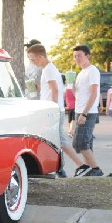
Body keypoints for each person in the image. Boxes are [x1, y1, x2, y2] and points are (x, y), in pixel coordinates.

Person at [27, 44, 85, 178]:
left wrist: (51, 109)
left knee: (60, 141)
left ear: (40, 56)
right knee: (53, 141)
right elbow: (50, 89)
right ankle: (60, 169)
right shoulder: (49, 69)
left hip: (53, 110)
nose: (32, 62)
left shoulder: (48, 70)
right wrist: (38, 87)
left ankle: (81, 165)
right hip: (53, 109)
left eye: (33, 59)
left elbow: (55, 90)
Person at [71, 45, 103, 177]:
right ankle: (89, 169)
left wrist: (84, 113)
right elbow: (76, 94)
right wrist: (71, 84)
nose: (76, 58)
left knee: (80, 143)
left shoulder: (92, 71)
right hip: (80, 110)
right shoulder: (81, 73)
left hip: (88, 112)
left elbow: (94, 93)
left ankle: (95, 170)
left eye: (79, 55)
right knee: (86, 143)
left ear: (87, 56)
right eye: (74, 56)